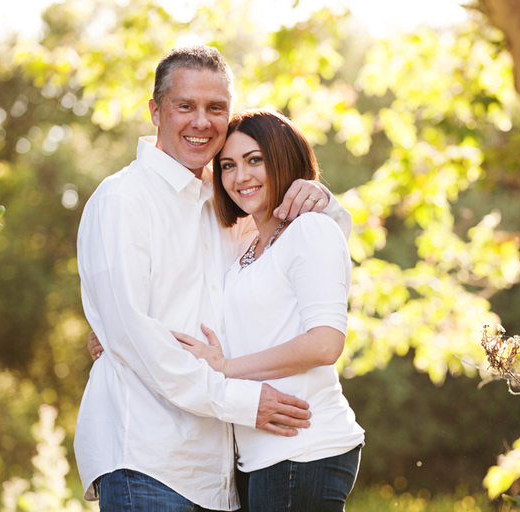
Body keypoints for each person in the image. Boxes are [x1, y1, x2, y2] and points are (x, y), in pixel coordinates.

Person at [75, 45, 352, 512]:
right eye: (185, 106)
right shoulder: (122, 201)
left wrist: (322, 199)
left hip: (225, 471)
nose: (201, 122)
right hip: (149, 458)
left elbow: (303, 253)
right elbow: (137, 339)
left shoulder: (225, 201)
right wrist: (243, 401)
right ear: (156, 110)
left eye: (215, 108)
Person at [173, 109, 365, 511]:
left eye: (254, 160)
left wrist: (226, 368)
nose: (240, 177)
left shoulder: (310, 229)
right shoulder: (249, 251)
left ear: (283, 159)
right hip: (262, 458)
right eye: (228, 165)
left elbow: (325, 344)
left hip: (304, 450)